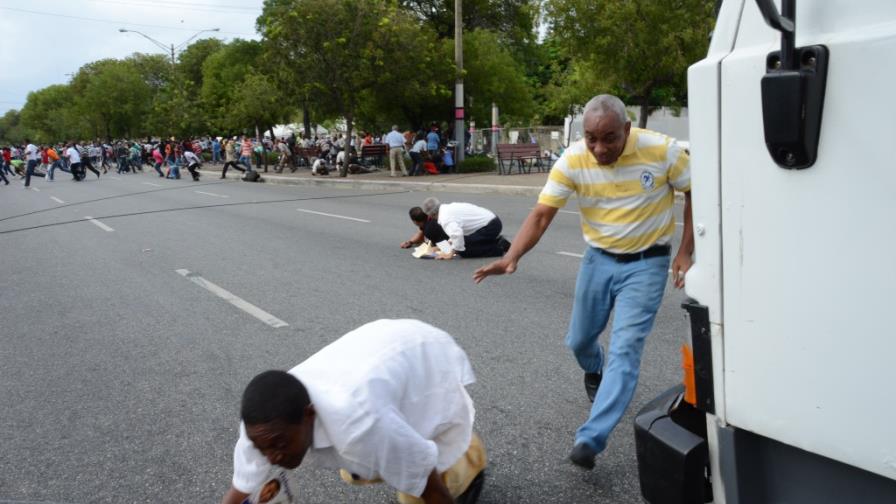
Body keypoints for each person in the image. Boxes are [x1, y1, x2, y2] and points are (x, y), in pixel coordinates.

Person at [472, 94, 694, 470]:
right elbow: (542, 214)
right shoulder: (573, 158)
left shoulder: (663, 151)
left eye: (609, 138)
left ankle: (591, 438)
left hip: (647, 263)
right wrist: (512, 257)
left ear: (626, 129)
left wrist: (685, 251)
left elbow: (694, 193)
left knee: (626, 351)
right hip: (597, 261)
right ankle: (595, 367)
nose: (599, 148)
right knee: (579, 340)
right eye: (591, 138)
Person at [220, 319, 487, 504]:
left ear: (309, 414)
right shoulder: (260, 429)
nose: (271, 457)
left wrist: (423, 470)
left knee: (414, 486)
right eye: (262, 448)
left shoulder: (362, 426)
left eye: (279, 444)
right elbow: (240, 488)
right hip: (370, 360)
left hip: (422, 354)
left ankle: (468, 461)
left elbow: (430, 489)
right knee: (358, 469)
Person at [419, 198, 511, 259]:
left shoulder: (445, 218)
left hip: (490, 226)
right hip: (491, 221)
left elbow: (457, 234)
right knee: (462, 243)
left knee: (464, 250)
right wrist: (443, 246)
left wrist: (450, 254)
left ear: (430, 214)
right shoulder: (446, 208)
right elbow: (455, 234)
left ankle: (499, 248)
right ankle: (497, 242)